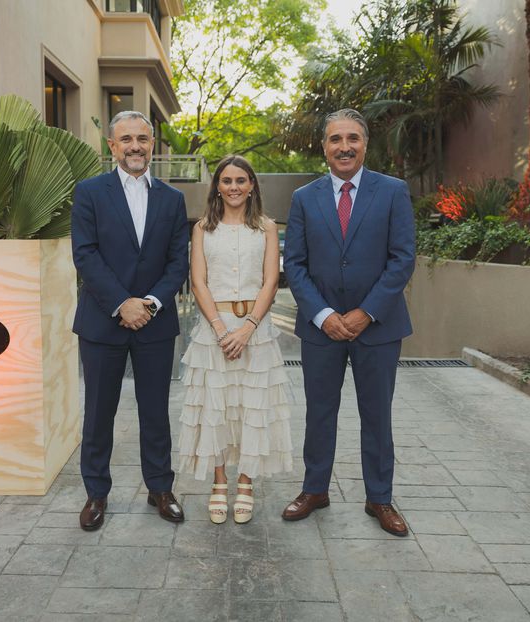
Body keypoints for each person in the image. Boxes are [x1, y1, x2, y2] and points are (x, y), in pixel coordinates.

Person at [281, 108, 415, 535]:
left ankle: (380, 498)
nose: (344, 146)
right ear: (324, 146)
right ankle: (315, 489)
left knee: (377, 415)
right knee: (319, 412)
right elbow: (295, 265)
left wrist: (364, 312)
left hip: (378, 327)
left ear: (365, 144)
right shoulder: (305, 197)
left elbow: (402, 258)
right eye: (336, 139)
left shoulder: (393, 192)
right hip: (321, 329)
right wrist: (322, 315)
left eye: (352, 138)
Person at [70, 110, 189, 531]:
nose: (135, 146)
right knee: (99, 411)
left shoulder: (173, 200)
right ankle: (96, 494)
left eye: (142, 138)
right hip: (103, 323)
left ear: (152, 144)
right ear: (112, 146)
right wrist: (122, 303)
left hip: (155, 325)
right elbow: (85, 255)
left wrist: (150, 304)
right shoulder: (89, 192)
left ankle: (160, 488)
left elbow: (178, 262)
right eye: (126, 140)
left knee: (155, 410)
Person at [177, 155, 293, 525]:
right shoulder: (202, 229)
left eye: (241, 180)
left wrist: (248, 328)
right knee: (216, 407)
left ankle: (245, 482)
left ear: (252, 185)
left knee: (251, 408)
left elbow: (271, 280)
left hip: (255, 330)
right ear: (217, 187)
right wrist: (221, 329)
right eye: (226, 180)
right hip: (215, 329)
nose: (234, 187)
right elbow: (198, 282)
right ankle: (218, 481)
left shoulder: (266, 228)